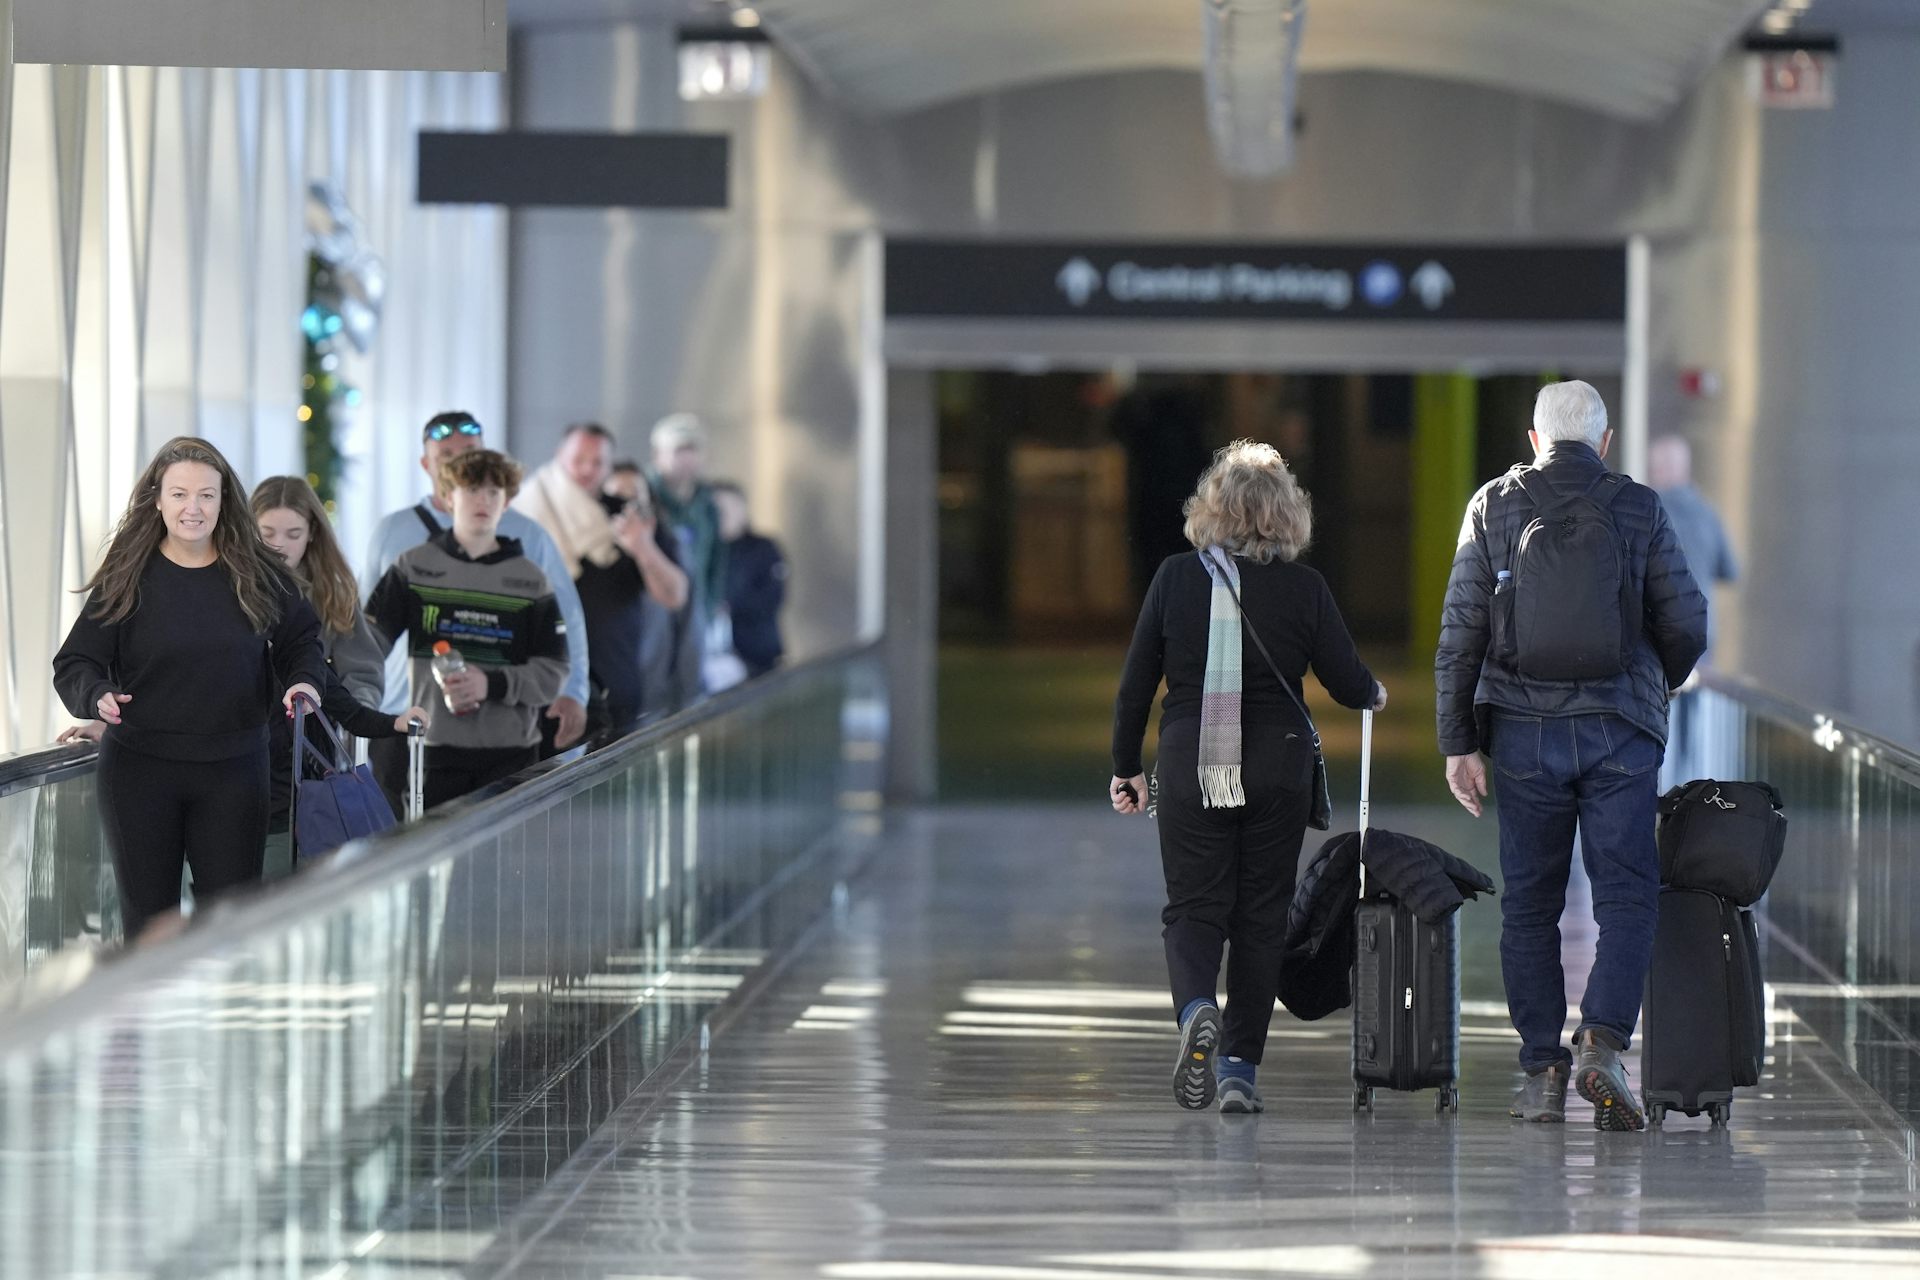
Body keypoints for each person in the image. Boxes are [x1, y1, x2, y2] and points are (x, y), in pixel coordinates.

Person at [1436, 380, 1707, 1130]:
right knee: (1625, 896)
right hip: (1622, 730)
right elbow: (1686, 619)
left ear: (1533, 439)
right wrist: (1654, 682)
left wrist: (1459, 740)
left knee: (1530, 905)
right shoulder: (1638, 506)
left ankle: (1542, 1074)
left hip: (1523, 732)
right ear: (1606, 441)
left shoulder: (1491, 506)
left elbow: (1461, 632)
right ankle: (1603, 1044)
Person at [1111, 440, 1385, 1114]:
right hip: (1278, 769)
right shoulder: (1304, 589)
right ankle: (1237, 1068)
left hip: (1189, 764)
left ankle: (1196, 1010)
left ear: (1211, 510)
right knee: (1262, 919)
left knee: (1193, 910)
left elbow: (1135, 687)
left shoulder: (1175, 578)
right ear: (1286, 516)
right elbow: (1348, 684)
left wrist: (1125, 768)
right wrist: (1376, 692)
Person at [51, 437, 327, 940]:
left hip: (236, 774)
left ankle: (222, 1020)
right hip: (140, 773)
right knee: (149, 927)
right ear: (157, 499)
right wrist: (95, 694)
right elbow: (75, 661)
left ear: (225, 502)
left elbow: (302, 640)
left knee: (227, 929)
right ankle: (152, 1022)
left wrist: (304, 682)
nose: (192, 508)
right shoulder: (127, 573)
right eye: (179, 494)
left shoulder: (258, 572)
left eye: (206, 495)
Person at [363, 413, 591, 812]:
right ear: (429, 466)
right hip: (407, 720)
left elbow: (564, 626)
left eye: (467, 454)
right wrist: (351, 699)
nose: (456, 464)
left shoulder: (528, 547)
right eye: (446, 455)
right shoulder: (398, 542)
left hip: (503, 735)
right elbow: (365, 633)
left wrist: (574, 692)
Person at [254, 477, 425, 876]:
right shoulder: (230, 588)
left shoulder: (332, 592)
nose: (280, 544)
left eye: (293, 533)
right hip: (235, 755)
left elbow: (359, 672)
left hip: (306, 758)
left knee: (294, 867)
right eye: (267, 533)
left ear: (313, 533)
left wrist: (356, 717)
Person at [513, 424, 689, 739]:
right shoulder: (523, 516)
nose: (587, 469)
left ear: (609, 465)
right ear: (558, 457)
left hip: (614, 686)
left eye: (598, 462)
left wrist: (643, 548)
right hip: (537, 687)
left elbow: (675, 595)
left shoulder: (630, 516)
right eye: (579, 459)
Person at [1649, 434, 1738, 783]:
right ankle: (1690, 800)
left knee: (1654, 722)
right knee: (1693, 729)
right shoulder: (1707, 513)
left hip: (1655, 638)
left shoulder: (1645, 511)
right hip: (1701, 637)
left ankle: (1655, 797)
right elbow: (1730, 569)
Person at [607, 461, 702, 719]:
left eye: (635, 496)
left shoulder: (670, 547)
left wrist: (687, 698)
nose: (627, 506)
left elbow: (687, 620)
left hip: (655, 701)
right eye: (616, 496)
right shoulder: (584, 553)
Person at [647, 414, 727, 652]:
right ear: (657, 455)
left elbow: (717, 561)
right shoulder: (643, 496)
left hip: (697, 615)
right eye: (678, 450)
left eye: (692, 450)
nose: (686, 458)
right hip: (652, 617)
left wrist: (709, 609)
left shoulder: (707, 504)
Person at [712, 481, 788, 680]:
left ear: (743, 509)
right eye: (717, 509)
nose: (724, 514)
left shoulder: (763, 549)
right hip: (714, 657)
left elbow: (773, 597)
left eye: (730, 507)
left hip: (758, 653)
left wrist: (729, 606)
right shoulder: (706, 553)